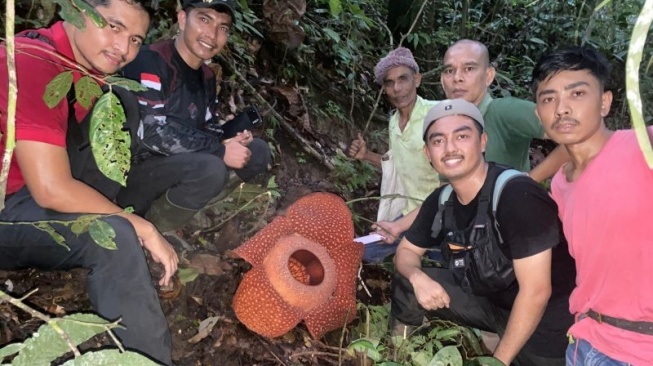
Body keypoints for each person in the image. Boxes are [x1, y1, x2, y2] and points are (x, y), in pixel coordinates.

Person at [0, 1, 177, 364]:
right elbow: (51, 188)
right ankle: (148, 359)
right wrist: (140, 227)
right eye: (113, 26)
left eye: (135, 39)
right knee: (115, 236)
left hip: (24, 192)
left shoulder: (84, 71)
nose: (123, 49)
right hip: (9, 207)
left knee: (122, 100)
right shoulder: (33, 61)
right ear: (79, 12)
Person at [390, 99, 576, 365]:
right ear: (427, 154)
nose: (450, 148)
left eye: (462, 136)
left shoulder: (517, 195)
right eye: (438, 141)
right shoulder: (442, 200)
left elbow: (536, 292)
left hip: (546, 321)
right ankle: (399, 355)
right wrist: (417, 276)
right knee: (407, 285)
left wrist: (497, 361)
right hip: (492, 303)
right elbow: (406, 251)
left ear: (483, 142)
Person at [368, 40, 570, 261]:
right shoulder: (446, 129)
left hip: (509, 242)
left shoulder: (503, 112)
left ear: (489, 75)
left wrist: (528, 180)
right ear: (442, 81)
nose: (457, 78)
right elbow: (445, 196)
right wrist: (397, 226)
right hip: (468, 240)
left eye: (469, 68)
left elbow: (574, 137)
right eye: (449, 70)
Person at [531, 46, 653, 365]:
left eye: (577, 93)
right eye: (548, 98)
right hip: (585, 343)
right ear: (538, 115)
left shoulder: (644, 147)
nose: (562, 108)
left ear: (604, 102)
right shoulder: (559, 184)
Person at [118, 0, 271, 233]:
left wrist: (229, 138)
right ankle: (152, 231)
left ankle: (184, 214)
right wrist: (220, 150)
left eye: (223, 27)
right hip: (129, 174)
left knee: (257, 151)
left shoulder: (206, 76)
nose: (212, 34)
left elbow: (204, 128)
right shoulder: (150, 60)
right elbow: (150, 131)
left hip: (177, 167)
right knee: (210, 168)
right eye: (204, 19)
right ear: (182, 19)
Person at [348, 47, 440, 262]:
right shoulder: (393, 122)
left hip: (440, 214)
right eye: (389, 83)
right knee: (362, 253)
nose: (397, 88)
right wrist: (366, 155)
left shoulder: (437, 115)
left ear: (417, 80)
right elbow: (398, 166)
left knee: (438, 270)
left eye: (403, 79)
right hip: (409, 214)